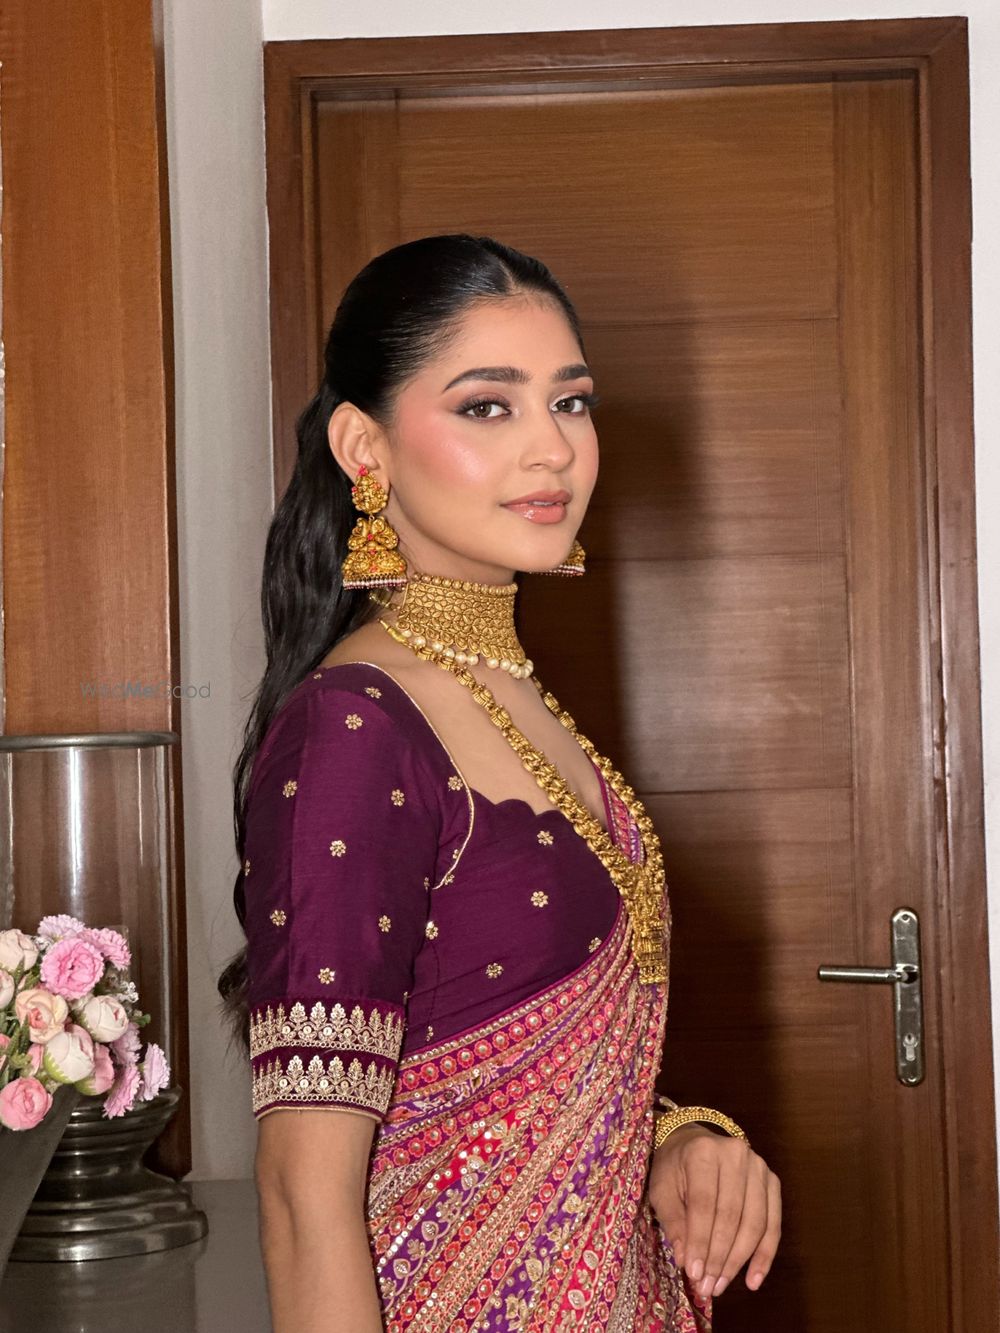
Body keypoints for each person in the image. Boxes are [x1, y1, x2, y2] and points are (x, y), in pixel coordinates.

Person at [218, 234, 781, 1332]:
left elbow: (501, 1072)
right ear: (364, 445)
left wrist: (676, 1140)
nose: (552, 448)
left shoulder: (517, 696)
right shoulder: (354, 728)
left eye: (571, 403)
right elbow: (301, 1197)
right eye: (488, 406)